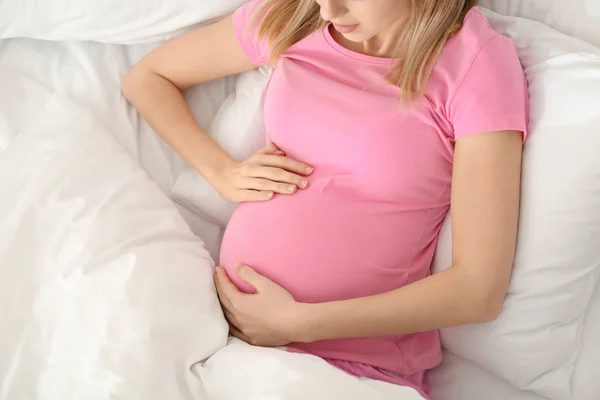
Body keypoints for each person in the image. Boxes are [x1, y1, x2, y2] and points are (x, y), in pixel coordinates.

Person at [122, 0, 529, 397]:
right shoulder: (294, 15)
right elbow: (148, 77)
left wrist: (299, 323)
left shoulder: (475, 64)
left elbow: (478, 290)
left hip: (353, 368)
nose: (329, 11)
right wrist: (222, 173)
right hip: (220, 341)